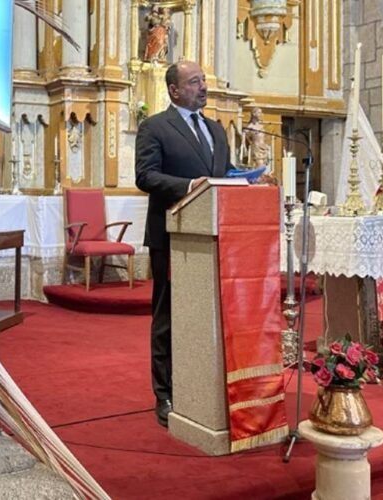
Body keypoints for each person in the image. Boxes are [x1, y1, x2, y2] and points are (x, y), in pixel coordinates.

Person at [135, 60, 233, 427]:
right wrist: (189, 186)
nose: (203, 86)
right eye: (194, 82)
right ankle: (165, 393)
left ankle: (202, 384)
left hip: (213, 235)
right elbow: (146, 176)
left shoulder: (216, 129)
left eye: (203, 80)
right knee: (168, 316)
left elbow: (223, 175)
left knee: (208, 314)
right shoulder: (155, 127)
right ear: (174, 90)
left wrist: (249, 179)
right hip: (172, 235)